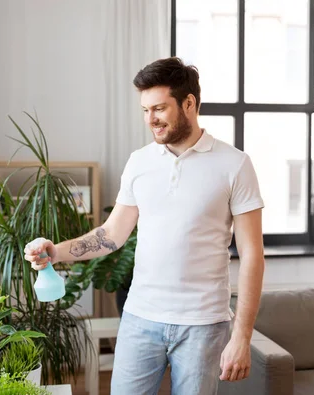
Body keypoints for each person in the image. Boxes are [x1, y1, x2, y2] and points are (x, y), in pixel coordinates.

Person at [24, 57, 265, 395]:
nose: (150, 119)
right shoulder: (140, 161)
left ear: (189, 103)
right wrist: (56, 251)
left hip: (203, 324)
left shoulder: (235, 165)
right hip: (140, 318)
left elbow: (253, 255)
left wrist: (242, 337)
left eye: (159, 108)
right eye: (145, 110)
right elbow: (111, 235)